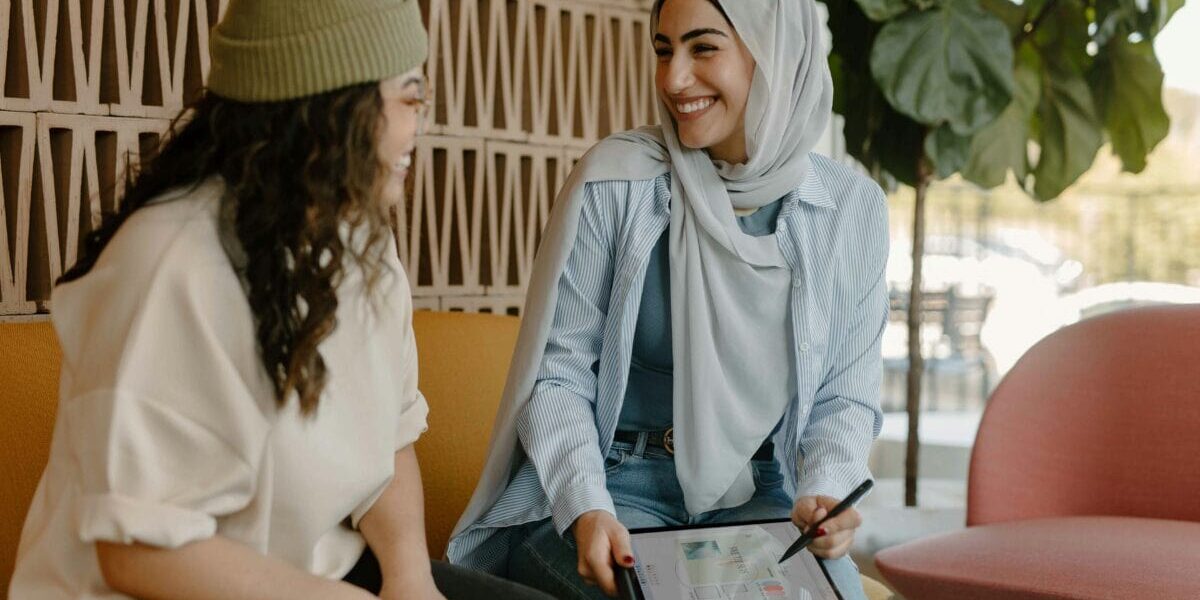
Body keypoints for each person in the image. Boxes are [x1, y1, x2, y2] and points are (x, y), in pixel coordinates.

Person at [7, 1, 550, 599]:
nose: (419, 121)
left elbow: (390, 439)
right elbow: (140, 553)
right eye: (408, 94)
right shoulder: (174, 261)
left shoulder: (359, 236)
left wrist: (410, 578)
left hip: (314, 574)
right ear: (328, 105)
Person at [445, 0, 887, 598]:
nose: (673, 78)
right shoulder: (616, 181)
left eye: (702, 48)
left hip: (758, 495)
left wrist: (828, 491)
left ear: (777, 55)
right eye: (663, 49)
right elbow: (557, 375)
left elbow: (845, 395)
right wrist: (585, 508)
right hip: (614, 487)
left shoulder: (851, 209)